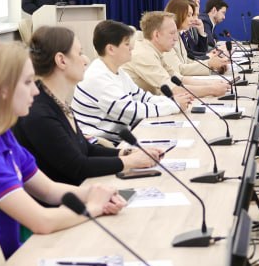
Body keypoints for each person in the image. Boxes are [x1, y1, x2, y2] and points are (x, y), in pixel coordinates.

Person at [0, 41, 125, 259]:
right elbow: (41, 221)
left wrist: (97, 193)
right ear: (1, 89)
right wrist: (94, 207)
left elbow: (48, 190)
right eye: (28, 82)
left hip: (20, 254)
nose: (35, 91)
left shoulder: (2, 137)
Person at [13, 26, 162, 184]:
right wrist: (131, 161)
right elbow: (78, 166)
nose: (86, 60)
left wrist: (127, 153)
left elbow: (87, 149)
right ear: (61, 60)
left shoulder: (56, 100)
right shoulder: (39, 112)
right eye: (79, 53)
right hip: (69, 194)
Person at [72, 20, 189, 144]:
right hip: (102, 145)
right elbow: (131, 112)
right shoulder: (98, 77)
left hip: (119, 139)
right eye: (127, 44)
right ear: (111, 49)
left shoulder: (117, 71)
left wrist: (172, 101)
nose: (132, 48)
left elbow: (142, 98)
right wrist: (174, 106)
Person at [125, 10, 230, 100]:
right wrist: (211, 90)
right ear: (156, 35)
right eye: (172, 33)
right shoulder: (143, 54)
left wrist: (212, 83)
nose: (175, 38)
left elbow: (177, 78)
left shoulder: (154, 50)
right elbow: (173, 90)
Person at [168, 0, 230, 74]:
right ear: (178, 14)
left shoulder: (178, 35)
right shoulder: (168, 38)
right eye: (189, 15)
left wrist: (212, 64)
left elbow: (187, 61)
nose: (192, 19)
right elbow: (180, 69)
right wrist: (209, 63)